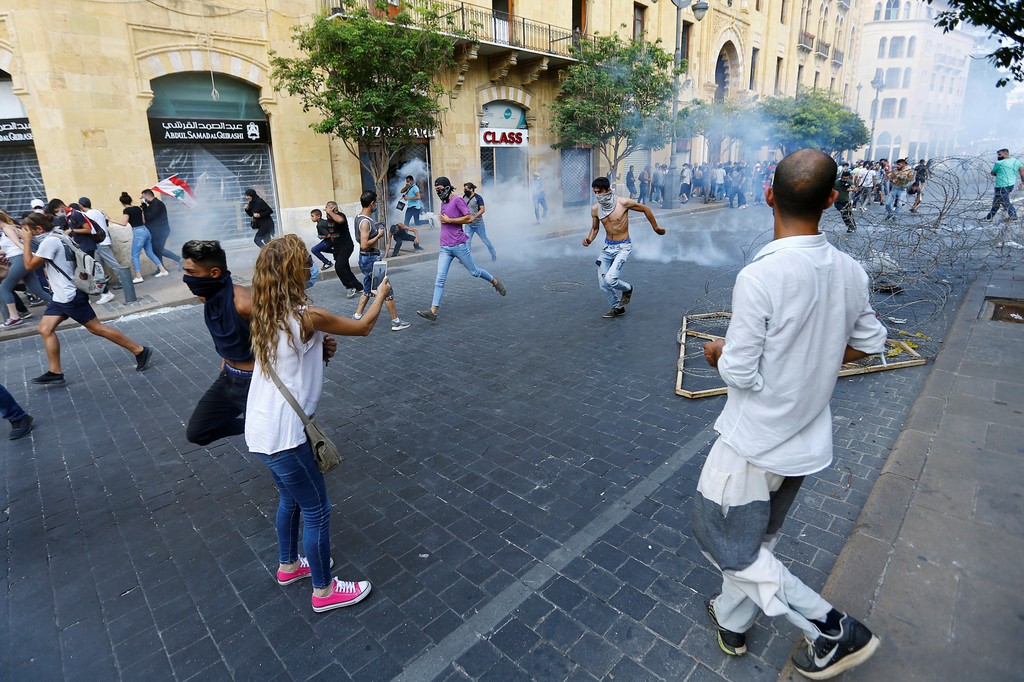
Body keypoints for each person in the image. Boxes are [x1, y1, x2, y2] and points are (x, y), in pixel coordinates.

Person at [693, 149, 886, 680]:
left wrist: (717, 352)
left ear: (768, 194)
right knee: (759, 542)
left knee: (722, 539)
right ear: (832, 198)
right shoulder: (850, 270)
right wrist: (817, 356)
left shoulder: (763, 274)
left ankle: (830, 628)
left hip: (753, 442)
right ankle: (733, 621)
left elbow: (740, 371)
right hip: (804, 443)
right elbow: (870, 343)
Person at [246, 234, 381, 612]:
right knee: (318, 510)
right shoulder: (308, 316)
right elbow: (364, 327)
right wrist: (381, 292)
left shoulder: (268, 313)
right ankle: (324, 591)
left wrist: (322, 349)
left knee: (290, 498)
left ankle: (289, 566)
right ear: (293, 271)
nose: (312, 265)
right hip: (286, 435)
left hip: (262, 430)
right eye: (306, 261)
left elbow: (294, 363)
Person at [19, 213, 153, 386]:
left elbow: (29, 265)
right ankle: (55, 372)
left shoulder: (49, 242)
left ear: (39, 228)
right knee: (45, 329)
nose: (26, 233)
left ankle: (139, 350)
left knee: (96, 328)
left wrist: (26, 241)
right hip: (61, 296)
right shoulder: (59, 235)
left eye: (29, 231)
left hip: (69, 295)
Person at [415, 177, 506, 322]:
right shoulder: (443, 203)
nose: (438, 193)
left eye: (439, 189)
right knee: (440, 279)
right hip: (445, 247)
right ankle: (433, 311)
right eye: (436, 190)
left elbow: (468, 218)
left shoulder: (458, 200)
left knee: (474, 271)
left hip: (459, 245)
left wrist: (450, 220)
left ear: (446, 188)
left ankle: (494, 281)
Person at [582, 176, 665, 319]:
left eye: (599, 192)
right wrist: (589, 239)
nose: (597, 195)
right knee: (603, 283)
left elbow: (645, 208)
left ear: (608, 190)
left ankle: (628, 289)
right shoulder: (595, 209)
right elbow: (595, 228)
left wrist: (656, 228)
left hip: (623, 246)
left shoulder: (623, 203)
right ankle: (617, 307)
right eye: (595, 192)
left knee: (610, 280)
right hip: (607, 247)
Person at [350, 191, 411, 331]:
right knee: (386, 289)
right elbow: (364, 244)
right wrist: (379, 235)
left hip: (366, 258)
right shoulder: (365, 222)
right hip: (371, 258)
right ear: (372, 203)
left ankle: (357, 316)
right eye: (375, 203)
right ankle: (396, 322)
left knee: (367, 289)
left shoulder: (359, 218)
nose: (376, 205)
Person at [1, 211, 53, 328]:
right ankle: (60, 306)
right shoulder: (9, 228)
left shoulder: (7, 228)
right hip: (19, 258)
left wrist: (32, 254)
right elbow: (12, 247)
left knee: (4, 287)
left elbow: (18, 244)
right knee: (36, 290)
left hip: (19, 259)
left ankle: (14, 318)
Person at [107, 192, 169, 283]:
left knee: (134, 255)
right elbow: (143, 220)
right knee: (150, 252)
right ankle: (163, 270)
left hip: (138, 232)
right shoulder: (138, 208)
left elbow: (124, 223)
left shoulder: (126, 211)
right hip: (146, 231)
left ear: (122, 203)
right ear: (130, 200)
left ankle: (138, 276)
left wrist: (110, 219)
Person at [78, 198, 121, 300]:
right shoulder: (97, 211)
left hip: (101, 243)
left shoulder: (89, 214)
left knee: (112, 263)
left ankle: (125, 281)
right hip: (103, 241)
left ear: (81, 205)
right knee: (98, 265)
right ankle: (104, 282)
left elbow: (89, 229)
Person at [323, 201, 362, 298]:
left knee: (339, 267)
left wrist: (331, 212)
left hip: (346, 245)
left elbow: (340, 221)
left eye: (330, 207)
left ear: (335, 208)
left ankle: (349, 287)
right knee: (346, 269)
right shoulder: (329, 218)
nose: (327, 209)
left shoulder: (340, 215)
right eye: (327, 207)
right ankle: (359, 287)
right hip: (337, 247)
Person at [141, 189, 183, 270]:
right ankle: (161, 268)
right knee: (156, 249)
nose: (142, 199)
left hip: (161, 231)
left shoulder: (157, 204)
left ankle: (179, 259)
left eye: (143, 197)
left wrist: (144, 207)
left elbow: (149, 217)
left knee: (160, 249)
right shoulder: (152, 204)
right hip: (156, 231)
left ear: (147, 196)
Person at [982, 148, 1024, 222]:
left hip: (1001, 186)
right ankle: (989, 217)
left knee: (1005, 202)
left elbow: (993, 173)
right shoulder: (1017, 161)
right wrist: (1023, 182)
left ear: (1006, 154)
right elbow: (1022, 172)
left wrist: (999, 173)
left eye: (1000, 154)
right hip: (1010, 185)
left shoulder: (999, 163)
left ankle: (1013, 217)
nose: (998, 156)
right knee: (996, 203)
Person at [463, 182, 496, 261]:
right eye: (464, 189)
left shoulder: (478, 198)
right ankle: (467, 259)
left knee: (485, 240)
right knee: (467, 242)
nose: (465, 190)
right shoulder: (464, 197)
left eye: (466, 189)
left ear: (471, 189)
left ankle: (493, 253)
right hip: (468, 224)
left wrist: (474, 216)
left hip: (478, 224)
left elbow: (482, 209)